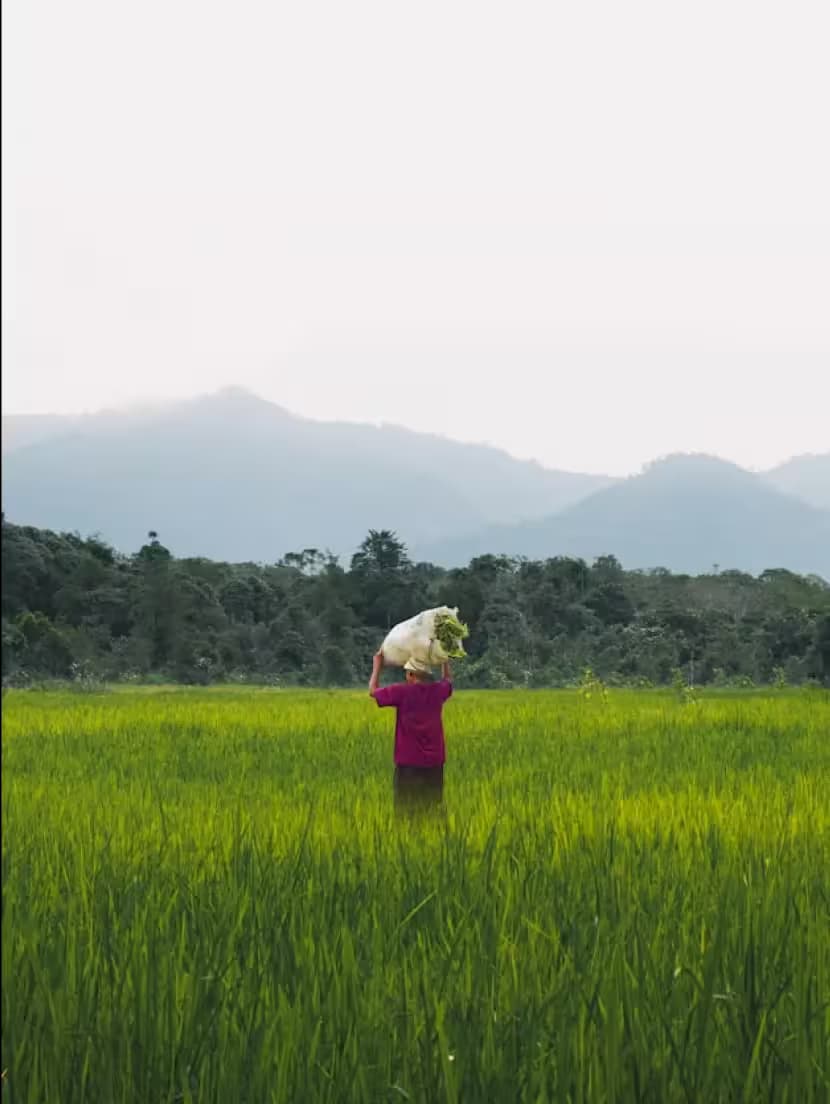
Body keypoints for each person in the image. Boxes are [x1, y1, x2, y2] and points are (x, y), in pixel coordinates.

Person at [369, 649, 453, 813]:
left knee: (406, 812)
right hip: (435, 763)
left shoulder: (401, 692)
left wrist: (377, 666)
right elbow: (448, 680)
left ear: (412, 675)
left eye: (407, 673)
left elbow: (373, 691)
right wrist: (445, 659)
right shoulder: (438, 691)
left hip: (408, 763)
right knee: (432, 810)